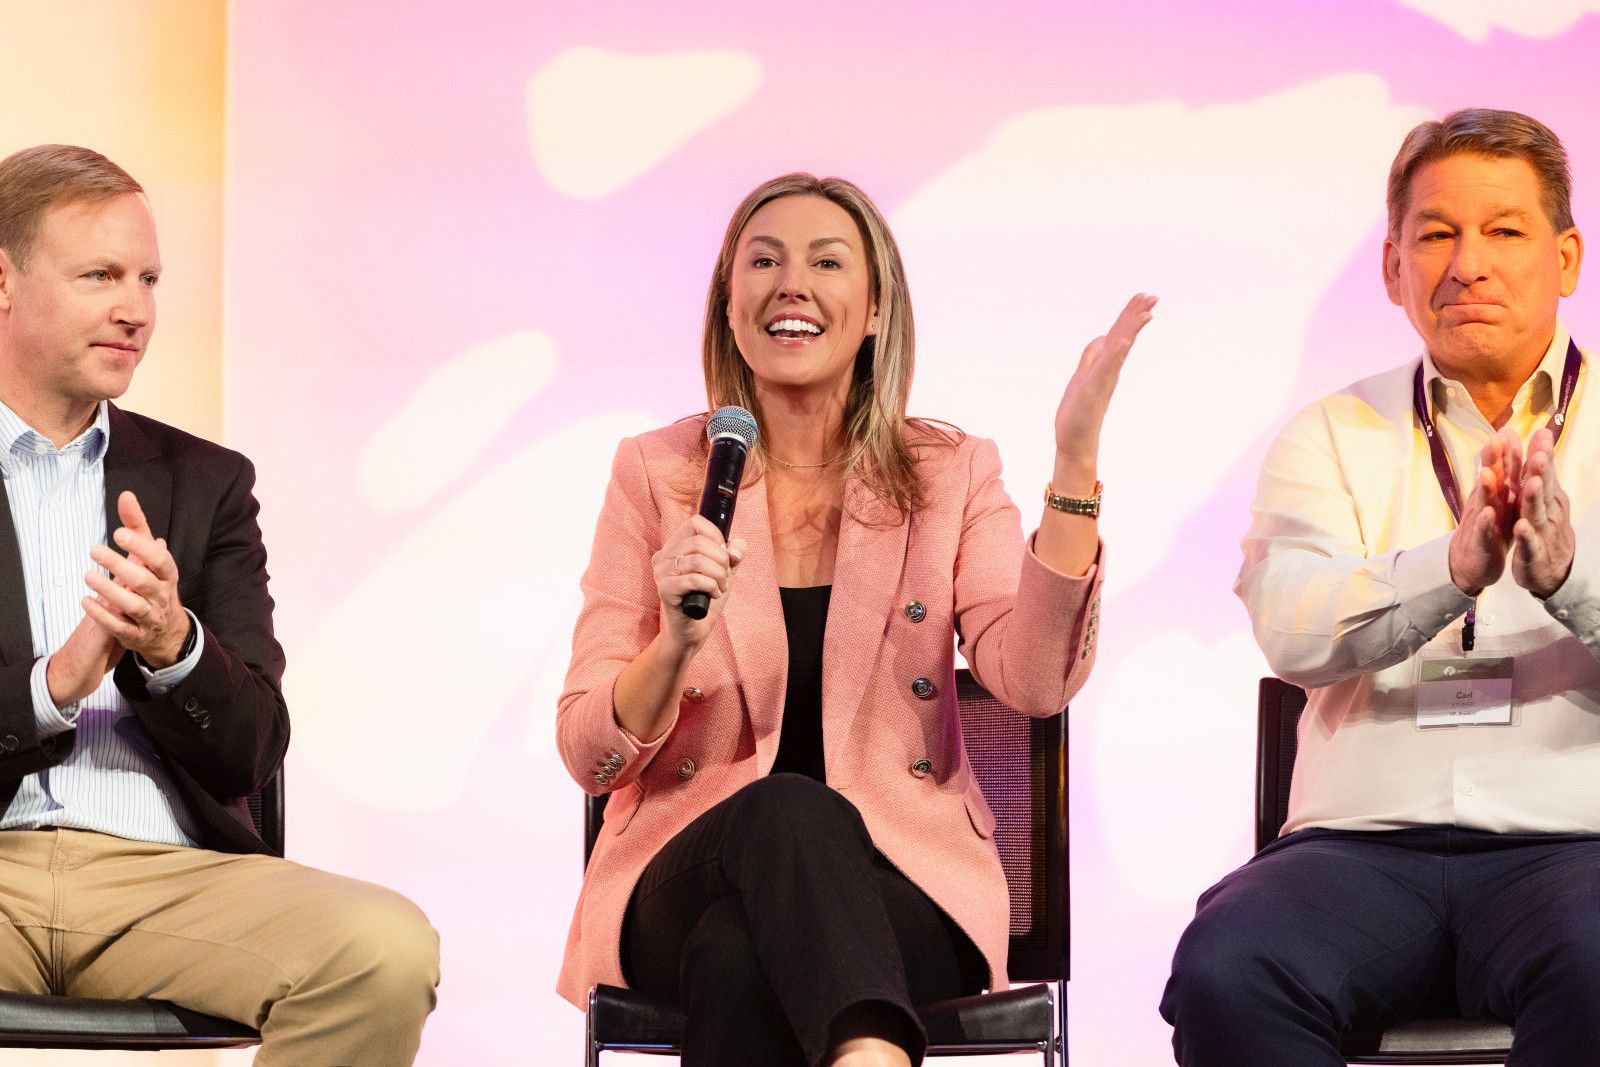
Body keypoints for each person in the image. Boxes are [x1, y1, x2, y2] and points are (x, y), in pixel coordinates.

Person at [556, 171, 1154, 1067]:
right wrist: (675, 642)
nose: (791, 283)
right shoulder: (658, 472)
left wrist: (1073, 465)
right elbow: (587, 752)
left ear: (875, 309)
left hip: (905, 878)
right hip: (681, 865)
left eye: (825, 261)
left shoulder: (949, 473)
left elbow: (1031, 682)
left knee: (736, 958)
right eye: (763, 260)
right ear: (729, 303)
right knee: (784, 814)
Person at [1160, 109, 1600, 1064]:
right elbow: (1290, 622)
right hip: (1359, 851)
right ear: (1394, 268)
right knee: (1231, 969)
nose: (1466, 262)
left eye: (1504, 231)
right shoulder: (1330, 433)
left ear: (1566, 258)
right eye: (1435, 233)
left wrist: (1567, 577)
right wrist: (1453, 570)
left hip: (1578, 842)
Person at [0, 144, 439, 1065]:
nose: (137, 310)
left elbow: (254, 749)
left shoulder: (206, 483)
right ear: (3, 281)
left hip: (163, 878)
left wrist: (172, 645)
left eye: (150, 279)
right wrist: (58, 681)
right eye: (101, 275)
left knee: (382, 948)